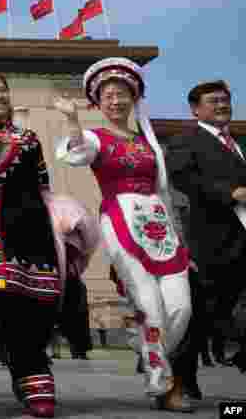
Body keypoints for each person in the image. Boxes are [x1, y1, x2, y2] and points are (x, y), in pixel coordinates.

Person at [55, 57, 193, 412]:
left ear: (133, 98)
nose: (115, 101)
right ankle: (163, 384)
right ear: (98, 103)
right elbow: (76, 153)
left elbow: (164, 190)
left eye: (121, 94)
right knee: (149, 305)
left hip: (161, 226)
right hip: (121, 220)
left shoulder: (149, 142)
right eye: (108, 96)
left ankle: (147, 348)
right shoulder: (96, 138)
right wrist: (72, 120)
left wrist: (180, 239)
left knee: (181, 307)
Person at [0, 71, 88, 417]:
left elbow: (43, 182)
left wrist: (62, 225)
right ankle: (28, 376)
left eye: (2, 89)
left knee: (40, 300)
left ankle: (33, 372)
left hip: (36, 227)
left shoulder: (29, 137)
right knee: (8, 302)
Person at [167, 80, 246, 396]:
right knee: (203, 313)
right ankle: (182, 378)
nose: (222, 105)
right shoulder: (186, 140)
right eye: (214, 101)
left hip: (241, 238)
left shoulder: (237, 143)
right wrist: (229, 193)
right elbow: (183, 178)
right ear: (195, 109)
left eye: (225, 100)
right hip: (211, 241)